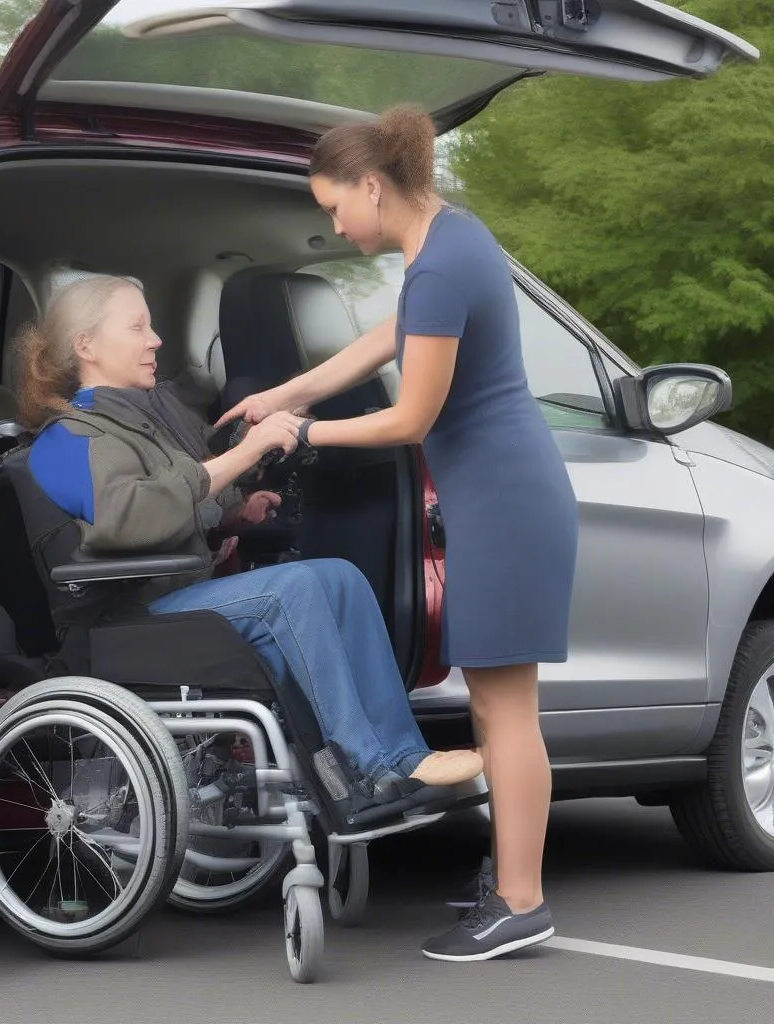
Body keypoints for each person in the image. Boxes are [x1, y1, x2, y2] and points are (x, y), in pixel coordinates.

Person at [217, 105, 579, 961]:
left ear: (372, 186)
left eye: (335, 205)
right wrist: (284, 396)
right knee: (499, 703)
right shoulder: (447, 242)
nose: (333, 223)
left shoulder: (444, 265)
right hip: (504, 497)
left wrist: (305, 434)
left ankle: (521, 902)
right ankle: (512, 886)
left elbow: (411, 416)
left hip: (505, 505)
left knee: (505, 707)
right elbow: (384, 340)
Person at [12, 273, 484, 815]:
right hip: (125, 618)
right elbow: (127, 519)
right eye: (137, 326)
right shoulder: (67, 437)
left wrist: (233, 514)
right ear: (86, 346)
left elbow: (172, 507)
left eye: (152, 325)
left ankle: (404, 755)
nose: (155, 340)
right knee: (293, 590)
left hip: (169, 599)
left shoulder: (137, 422)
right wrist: (245, 451)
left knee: (341, 576)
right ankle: (368, 767)